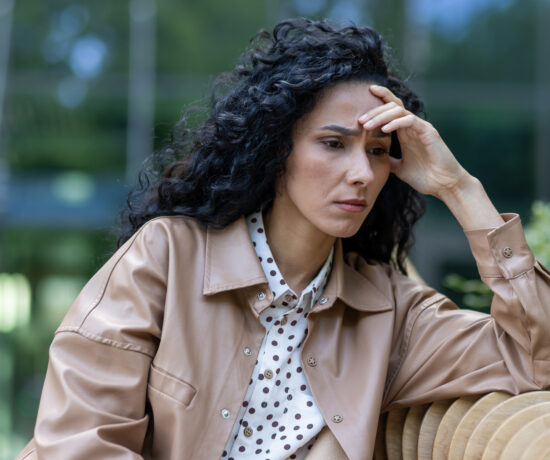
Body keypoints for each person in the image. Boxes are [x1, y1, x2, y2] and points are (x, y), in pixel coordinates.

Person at [17, 18, 550, 460]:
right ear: (277, 149)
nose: (361, 173)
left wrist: (461, 189)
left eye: (376, 150)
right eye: (333, 143)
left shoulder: (389, 312)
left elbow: (535, 359)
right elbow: (80, 443)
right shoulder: (166, 257)